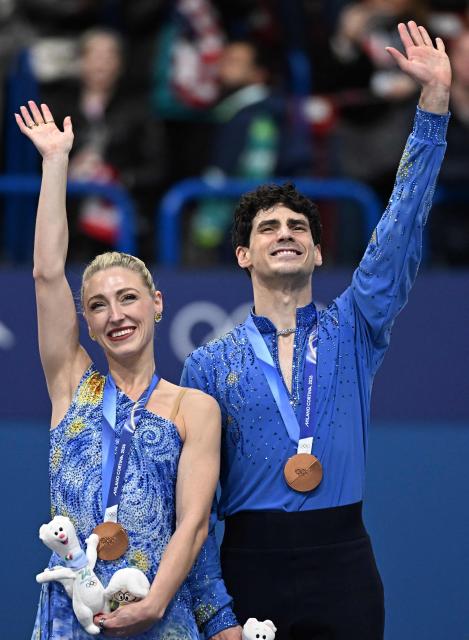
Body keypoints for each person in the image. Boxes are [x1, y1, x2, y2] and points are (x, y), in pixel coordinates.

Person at [181, 21, 451, 640]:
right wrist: (214, 614)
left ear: (318, 253)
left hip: (344, 566)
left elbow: (400, 231)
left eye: (299, 227)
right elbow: (188, 510)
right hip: (249, 565)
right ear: (244, 256)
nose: (285, 233)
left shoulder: (352, 327)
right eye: (267, 228)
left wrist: (433, 109)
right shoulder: (207, 364)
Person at [16, 101, 220, 639]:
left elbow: (194, 526)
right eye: (99, 305)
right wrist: (56, 162)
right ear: (85, 319)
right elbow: (44, 274)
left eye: (128, 298)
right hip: (69, 622)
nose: (116, 315)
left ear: (157, 304)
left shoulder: (193, 407)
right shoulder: (70, 384)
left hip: (160, 617)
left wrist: (152, 606)